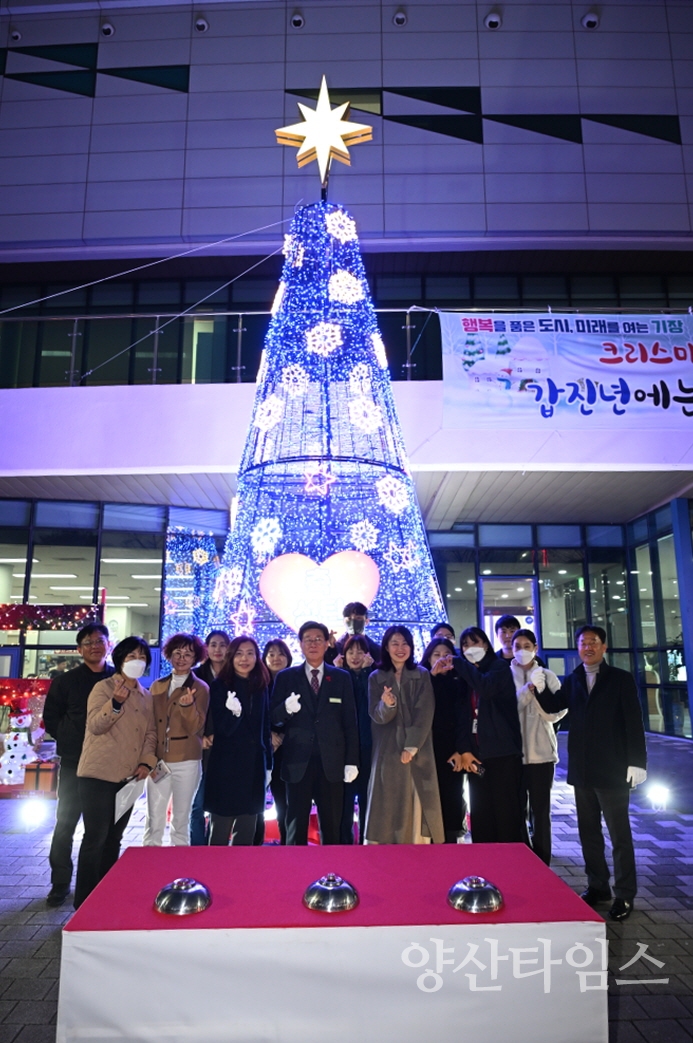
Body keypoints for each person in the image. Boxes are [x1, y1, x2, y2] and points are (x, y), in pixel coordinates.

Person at [533, 625, 647, 921]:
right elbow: (555, 707)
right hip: (582, 771)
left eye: (593, 642)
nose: (588, 647)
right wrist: (540, 686)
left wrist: (638, 762)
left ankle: (624, 894)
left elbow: (634, 723)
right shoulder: (573, 680)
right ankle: (598, 886)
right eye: (583, 643)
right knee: (589, 833)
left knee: (619, 835)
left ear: (604, 647)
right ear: (578, 647)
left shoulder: (620, 680)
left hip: (613, 771)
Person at [73, 636, 157, 909]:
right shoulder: (103, 688)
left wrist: (146, 761)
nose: (137, 661)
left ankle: (105, 894)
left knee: (114, 838)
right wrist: (116, 703)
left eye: (142, 657)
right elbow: (96, 725)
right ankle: (84, 901)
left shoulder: (146, 695)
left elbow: (151, 734)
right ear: (119, 659)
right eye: (131, 656)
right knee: (95, 837)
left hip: (129, 778)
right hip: (98, 775)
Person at [42, 623, 113, 907]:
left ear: (109, 644)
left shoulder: (117, 678)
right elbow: (52, 718)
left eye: (99, 640)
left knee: (104, 828)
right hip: (74, 762)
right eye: (88, 642)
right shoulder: (65, 681)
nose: (95, 645)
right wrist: (72, 740)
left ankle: (101, 880)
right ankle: (60, 882)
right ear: (79, 649)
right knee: (66, 823)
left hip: (108, 765)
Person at [270, 621, 359, 845]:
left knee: (332, 825)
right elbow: (273, 719)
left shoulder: (341, 678)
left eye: (318, 639)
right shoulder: (286, 677)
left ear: (328, 643)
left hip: (332, 763)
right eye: (307, 639)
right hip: (296, 762)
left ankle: (332, 875)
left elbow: (350, 722)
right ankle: (294, 874)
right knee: (295, 824)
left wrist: (351, 761)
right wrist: (285, 710)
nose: (313, 643)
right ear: (300, 644)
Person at [446, 627, 526, 843]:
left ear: (486, 645)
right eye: (465, 645)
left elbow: (486, 688)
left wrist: (461, 664)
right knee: (482, 813)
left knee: (506, 814)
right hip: (477, 758)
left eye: (476, 643)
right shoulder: (464, 677)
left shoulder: (498, 668)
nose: (470, 648)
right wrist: (465, 750)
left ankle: (512, 865)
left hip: (502, 756)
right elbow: (461, 718)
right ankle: (486, 862)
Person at [365, 625, 444, 845]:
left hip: (418, 751)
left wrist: (412, 746)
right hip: (387, 751)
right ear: (386, 647)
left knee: (417, 802)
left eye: (405, 643)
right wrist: (387, 705)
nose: (400, 648)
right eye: (395, 643)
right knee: (387, 803)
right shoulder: (375, 677)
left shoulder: (421, 675)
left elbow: (425, 711)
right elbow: (376, 716)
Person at [204, 636, 272, 845]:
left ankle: (241, 876)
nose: (245, 659)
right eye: (240, 654)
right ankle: (213, 873)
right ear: (231, 657)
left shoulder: (261, 685)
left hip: (253, 768)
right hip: (227, 768)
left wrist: (268, 764)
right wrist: (233, 714)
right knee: (220, 830)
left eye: (250, 653)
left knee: (247, 831)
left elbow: (264, 728)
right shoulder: (219, 686)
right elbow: (222, 730)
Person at [144, 633, 209, 846]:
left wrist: (188, 706)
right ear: (169, 655)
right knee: (154, 814)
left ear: (195, 658)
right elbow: (150, 724)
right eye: (177, 653)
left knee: (181, 817)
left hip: (187, 759)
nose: (181, 658)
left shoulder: (201, 687)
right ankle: (150, 856)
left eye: (188, 654)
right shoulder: (157, 685)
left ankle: (178, 859)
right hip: (160, 759)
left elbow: (196, 727)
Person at [509, 629, 566, 865]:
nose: (522, 650)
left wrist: (540, 694)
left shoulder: (548, 675)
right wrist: (527, 691)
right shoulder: (504, 674)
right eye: (517, 646)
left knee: (541, 811)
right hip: (513, 755)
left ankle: (543, 858)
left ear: (535, 648)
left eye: (527, 645)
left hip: (542, 755)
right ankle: (522, 855)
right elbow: (508, 711)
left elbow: (559, 711)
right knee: (516, 808)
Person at [421, 636, 468, 843]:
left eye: (446, 655)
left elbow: (464, 718)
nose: (441, 659)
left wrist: (461, 749)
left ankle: (450, 843)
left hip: (451, 751)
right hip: (426, 751)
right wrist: (431, 677)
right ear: (428, 658)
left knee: (451, 798)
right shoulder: (422, 680)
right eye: (436, 655)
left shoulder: (461, 682)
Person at [334, 635, 376, 843]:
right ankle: (345, 845)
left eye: (360, 651)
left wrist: (368, 672)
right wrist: (340, 672)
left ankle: (366, 843)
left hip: (369, 748)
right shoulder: (339, 678)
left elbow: (369, 703)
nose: (355, 656)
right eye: (351, 652)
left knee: (368, 800)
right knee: (344, 802)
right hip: (344, 750)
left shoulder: (374, 677)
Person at [191, 629, 230, 845]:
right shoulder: (195, 675)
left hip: (226, 750)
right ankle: (197, 848)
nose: (218, 649)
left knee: (219, 804)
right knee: (196, 805)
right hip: (200, 749)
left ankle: (216, 848)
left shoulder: (236, 675)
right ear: (206, 648)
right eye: (213, 644)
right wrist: (201, 735)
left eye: (223, 644)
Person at [261, 638, 293, 844]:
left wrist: (282, 736)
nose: (275, 658)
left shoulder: (294, 681)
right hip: (261, 750)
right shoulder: (257, 683)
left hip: (286, 753)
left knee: (284, 803)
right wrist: (268, 734)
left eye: (280, 653)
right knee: (254, 805)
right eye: (271, 653)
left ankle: (286, 843)